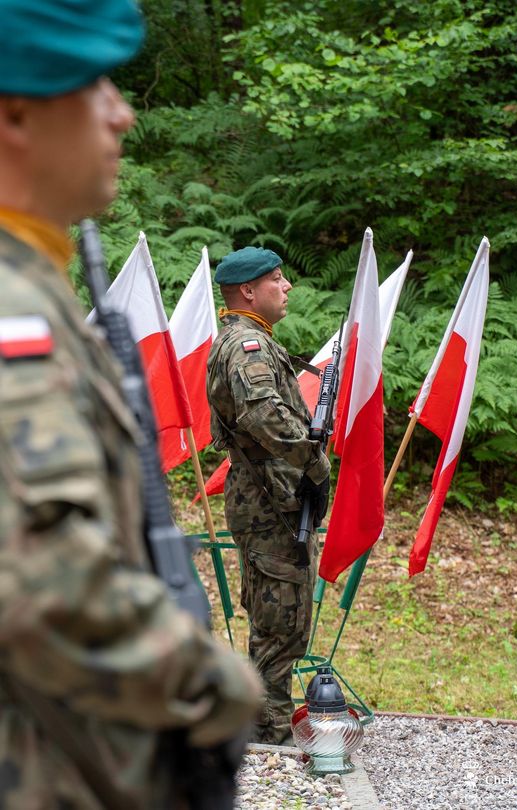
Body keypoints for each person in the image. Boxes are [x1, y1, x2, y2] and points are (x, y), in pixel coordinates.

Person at [0, 2, 261, 807]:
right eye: (95, 85)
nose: (123, 113)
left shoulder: (35, 284)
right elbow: (38, 584)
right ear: (16, 113)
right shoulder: (12, 310)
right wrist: (211, 684)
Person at [206, 247, 331, 745]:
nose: (287, 286)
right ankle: (269, 734)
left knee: (277, 617)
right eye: (276, 279)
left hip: (271, 497)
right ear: (248, 291)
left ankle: (263, 723)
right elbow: (262, 415)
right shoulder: (247, 346)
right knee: (282, 622)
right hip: (269, 501)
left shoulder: (250, 340)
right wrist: (314, 460)